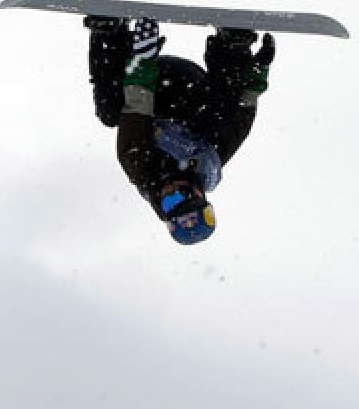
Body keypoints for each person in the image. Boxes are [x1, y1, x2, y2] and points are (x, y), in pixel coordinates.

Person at [85, 16, 275, 244]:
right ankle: (232, 45)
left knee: (110, 112)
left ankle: (110, 34)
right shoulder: (207, 163)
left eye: (169, 202)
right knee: (219, 123)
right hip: (192, 93)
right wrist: (256, 76)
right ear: (198, 193)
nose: (173, 190)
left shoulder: (140, 168)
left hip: (148, 84)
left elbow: (134, 110)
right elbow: (240, 119)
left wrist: (144, 61)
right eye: (183, 195)